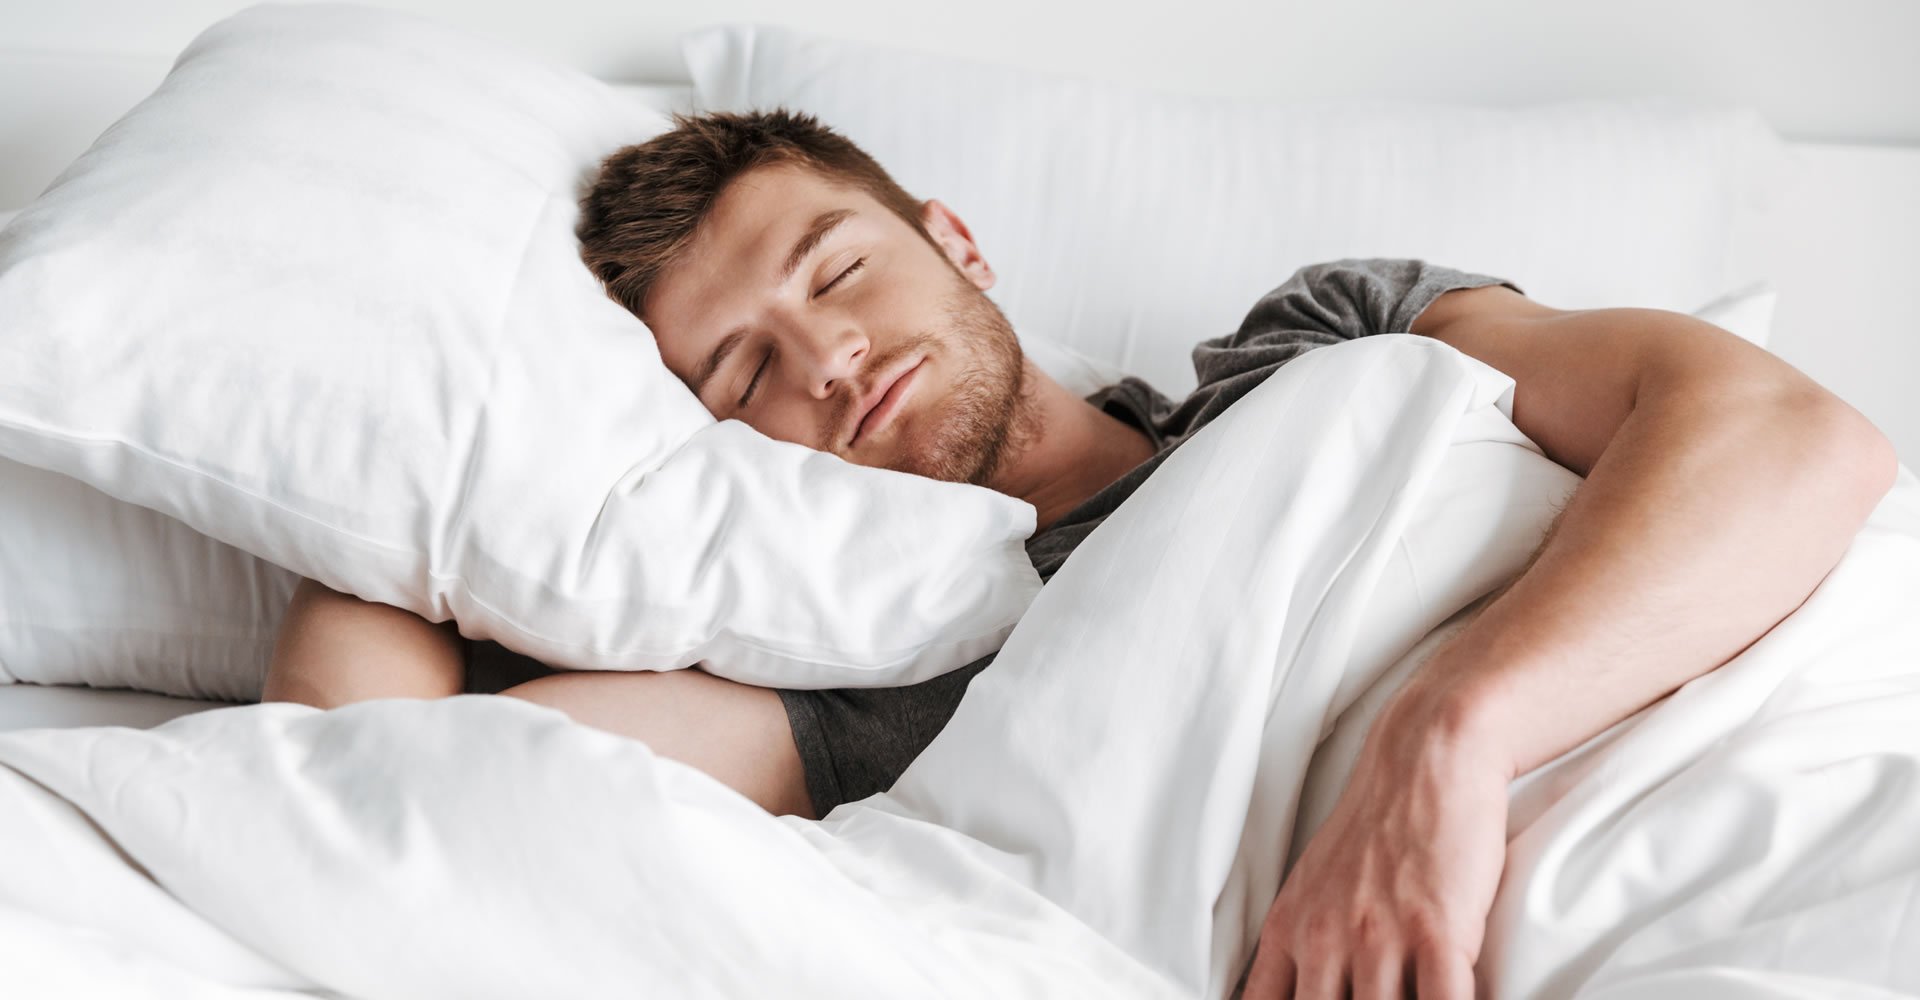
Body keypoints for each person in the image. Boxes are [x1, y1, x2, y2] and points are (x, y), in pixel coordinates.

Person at [264, 109, 1897, 997]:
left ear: (953, 241)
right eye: (740, 372)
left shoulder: (1318, 345)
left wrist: (1450, 736)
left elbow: (1780, 437)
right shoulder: (903, 681)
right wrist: (415, 464)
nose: (824, 362)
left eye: (835, 273)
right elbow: (383, 777)